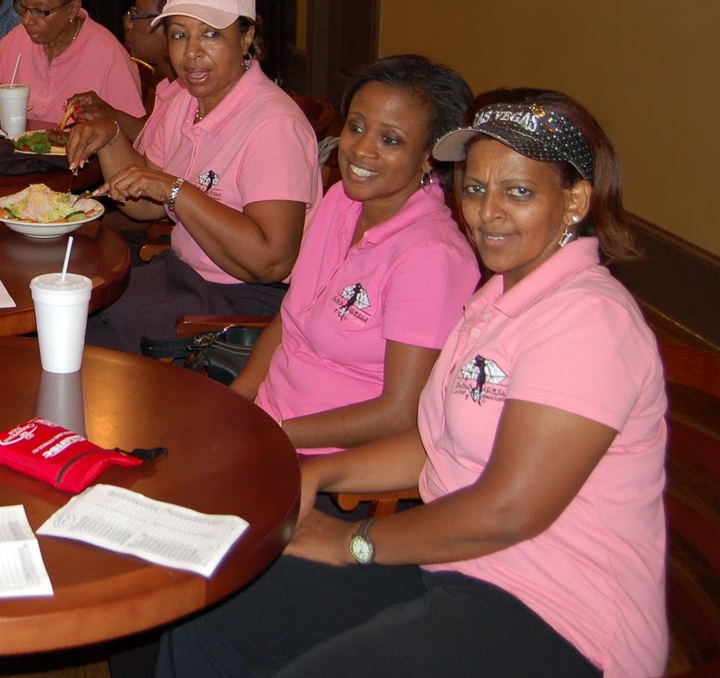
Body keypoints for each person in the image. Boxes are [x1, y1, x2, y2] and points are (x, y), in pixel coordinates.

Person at [156, 90, 666, 678]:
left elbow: (508, 511)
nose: (488, 213)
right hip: (450, 568)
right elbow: (436, 444)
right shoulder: (498, 300)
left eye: (518, 192)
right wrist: (320, 473)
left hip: (556, 617)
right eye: (475, 188)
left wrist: (355, 542)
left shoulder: (589, 321)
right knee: (211, 602)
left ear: (575, 200)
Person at [234, 55, 479, 455]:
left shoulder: (431, 256)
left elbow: (401, 413)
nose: (362, 150)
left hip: (332, 459)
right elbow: (289, 319)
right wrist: (237, 402)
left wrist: (274, 434)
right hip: (269, 424)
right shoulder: (341, 201)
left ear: (429, 156)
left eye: (390, 140)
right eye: (356, 127)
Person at [67, 0, 319, 353]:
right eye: (179, 35)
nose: (192, 52)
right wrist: (110, 137)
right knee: (65, 307)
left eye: (211, 34)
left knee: (77, 343)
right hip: (182, 275)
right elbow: (146, 207)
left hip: (242, 301)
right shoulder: (186, 102)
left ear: (246, 37)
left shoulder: (274, 125)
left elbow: (272, 261)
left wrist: (175, 190)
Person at [0, 0, 144, 125]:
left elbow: (136, 134)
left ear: (72, 9)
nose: (26, 20)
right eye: (23, 6)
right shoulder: (17, 39)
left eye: (40, 10)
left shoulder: (110, 56)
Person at [68, 0, 199, 141]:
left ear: (171, 25)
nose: (128, 23)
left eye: (136, 14)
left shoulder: (195, 94)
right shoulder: (168, 84)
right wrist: (108, 113)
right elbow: (154, 139)